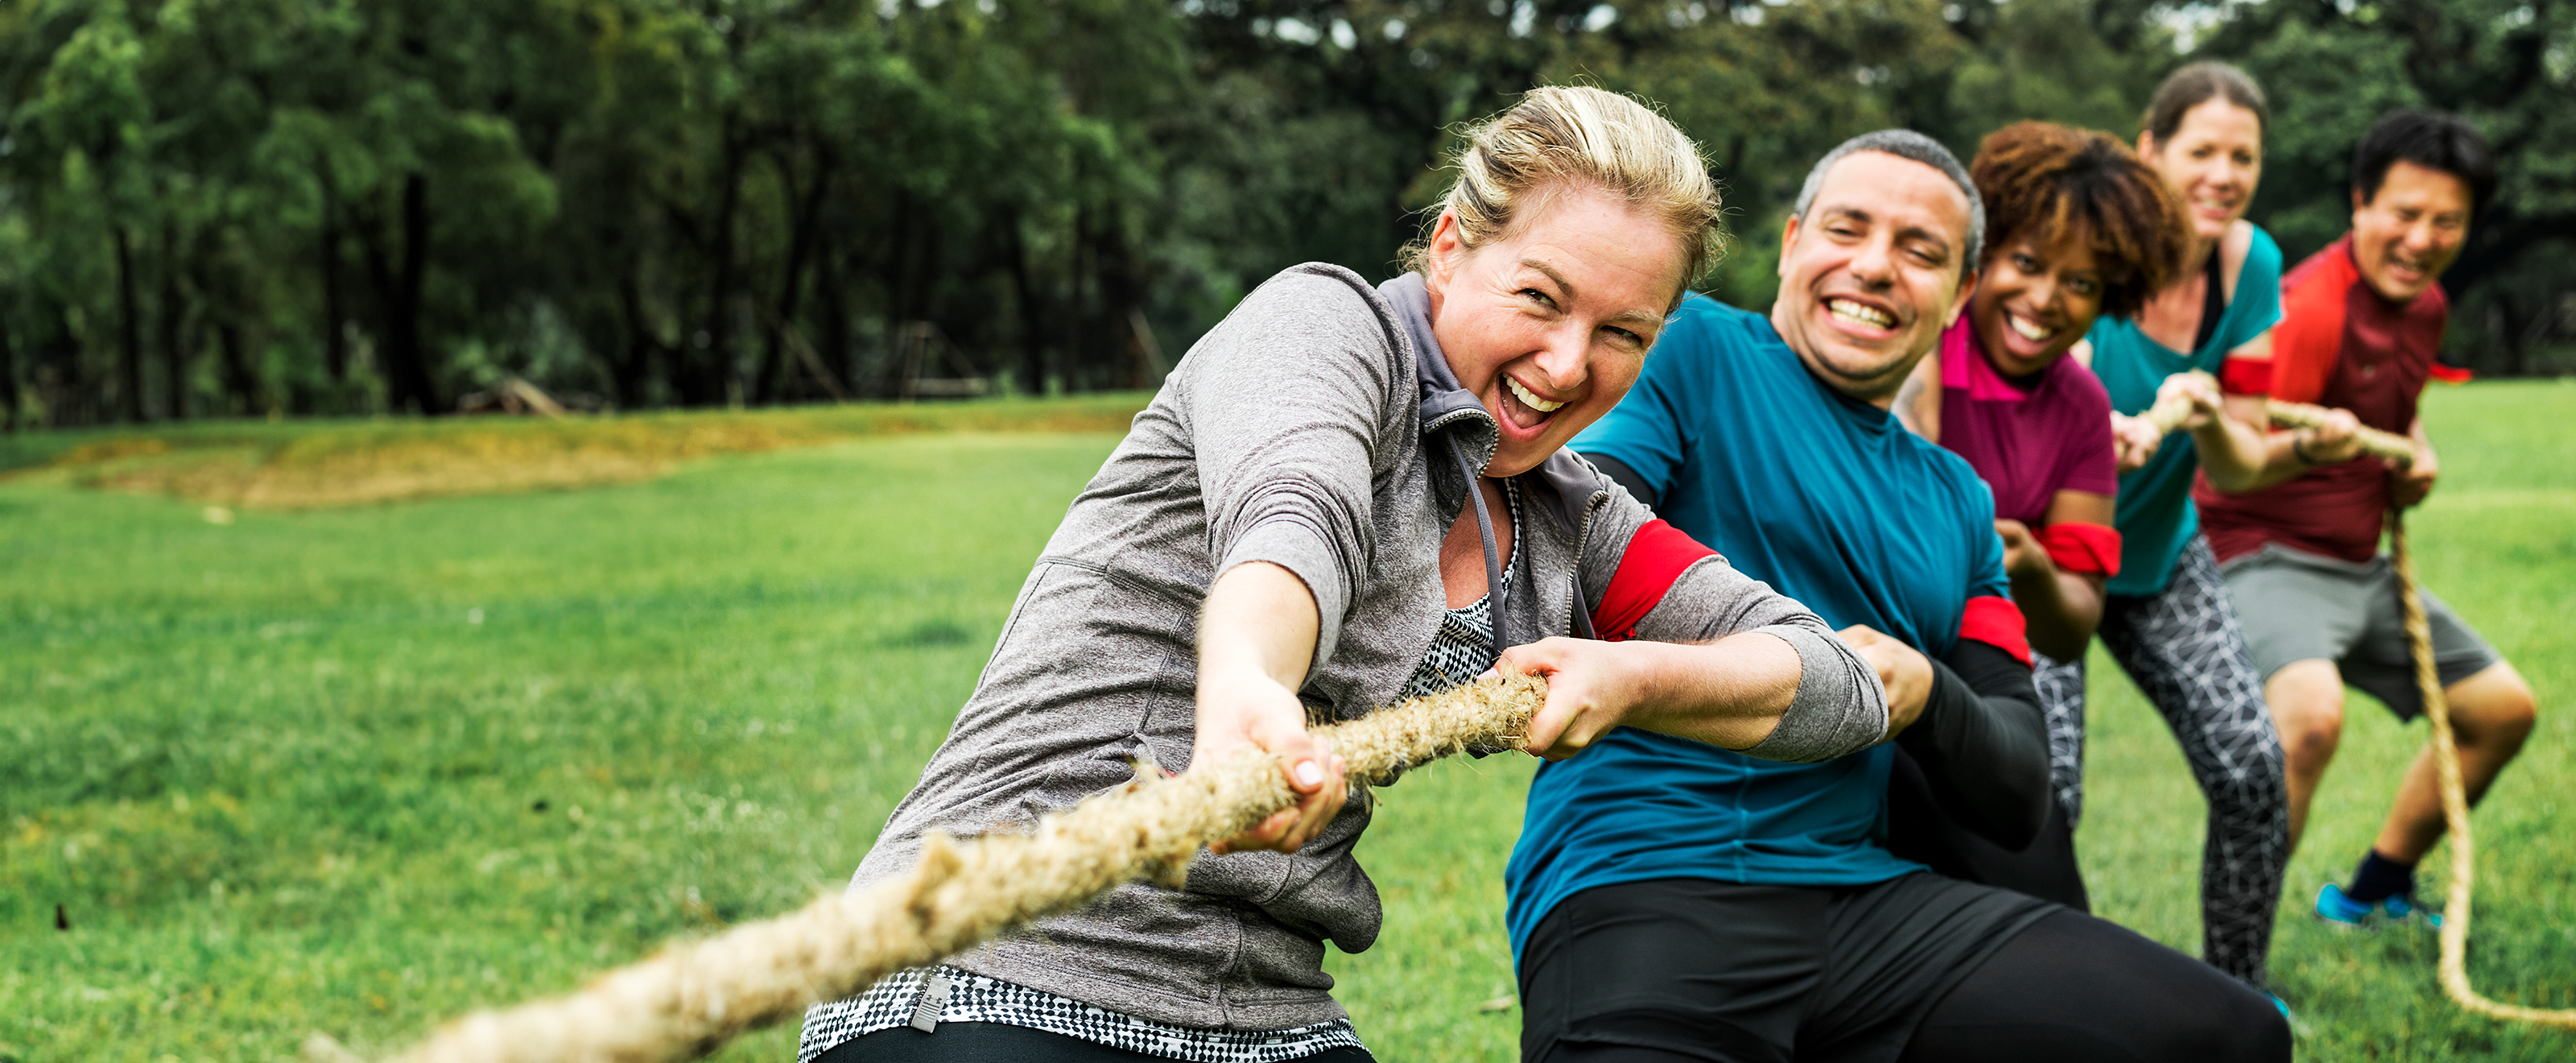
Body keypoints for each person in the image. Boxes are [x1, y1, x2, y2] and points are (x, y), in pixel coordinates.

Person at [796, 86, 1890, 1063]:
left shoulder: (1571, 518)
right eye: (1542, 298)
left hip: (1265, 1011)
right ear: (1453, 246)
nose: (1568, 364)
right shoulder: (1324, 331)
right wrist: (1248, 693)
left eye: (1623, 333)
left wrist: (1637, 682)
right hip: (1005, 962)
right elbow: (1294, 515)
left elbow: (1831, 684)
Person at [1509, 128, 2287, 1063]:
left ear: (1959, 294)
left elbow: (2015, 788)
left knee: (2233, 1036)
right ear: (1792, 244)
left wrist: (1922, 690)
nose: (1875, 267)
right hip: (1645, 879)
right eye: (1847, 230)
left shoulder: (1956, 501)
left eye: (1919, 251)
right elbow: (1564, 545)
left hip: (1868, 909)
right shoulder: (1693, 351)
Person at [2193, 109, 2537, 927]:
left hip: (2359, 565)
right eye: (2403, 214)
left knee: (2500, 711)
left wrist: (2411, 452)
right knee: (2309, 718)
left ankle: (2370, 893)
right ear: (2359, 204)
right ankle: (2231, 967)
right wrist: (2319, 453)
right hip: (2262, 553)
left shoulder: (2422, 308)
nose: (2420, 238)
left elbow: (2392, 409)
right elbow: (2231, 458)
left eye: (2444, 221)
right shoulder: (2305, 308)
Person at [2049, 61, 2340, 991]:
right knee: (2043, 801)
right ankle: (2043, 1004)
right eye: (2201, 151)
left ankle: (2235, 998)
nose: (2223, 174)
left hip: (2160, 559)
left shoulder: (2248, 265)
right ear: (2149, 151)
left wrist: (2249, 427)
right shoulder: (2087, 249)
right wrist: (2097, 423)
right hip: (2039, 559)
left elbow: (2241, 463)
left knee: (2254, 772)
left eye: (2241, 157)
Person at [1886, 120, 2188, 911]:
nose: (2046, 299)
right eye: (2025, 263)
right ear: (1979, 258)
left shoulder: (2082, 408)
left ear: (2111, 295)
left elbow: (2070, 626)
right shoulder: (1922, 335)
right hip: (1867, 648)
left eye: (2082, 283)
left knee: (2039, 884)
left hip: (1975, 660)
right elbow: (1906, 497)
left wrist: (2031, 566)